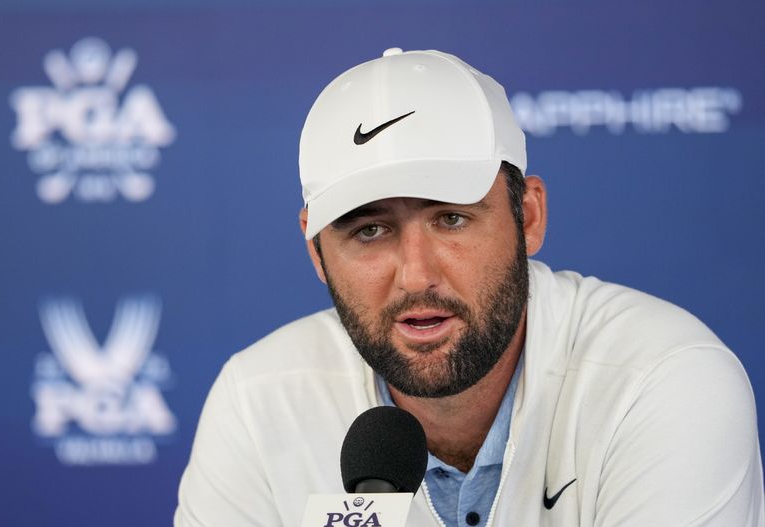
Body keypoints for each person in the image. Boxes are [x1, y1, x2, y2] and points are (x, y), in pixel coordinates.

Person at [175, 48, 764, 526]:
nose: (416, 274)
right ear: (317, 255)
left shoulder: (662, 378)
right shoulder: (256, 401)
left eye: (451, 218)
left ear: (528, 216)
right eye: (370, 230)